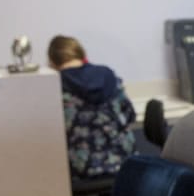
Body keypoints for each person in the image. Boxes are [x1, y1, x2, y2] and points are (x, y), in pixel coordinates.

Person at [47, 35, 136, 180]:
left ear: (53, 61)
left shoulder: (55, 85)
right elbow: (130, 114)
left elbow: (52, 133)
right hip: (124, 162)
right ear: (81, 53)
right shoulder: (107, 75)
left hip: (82, 168)